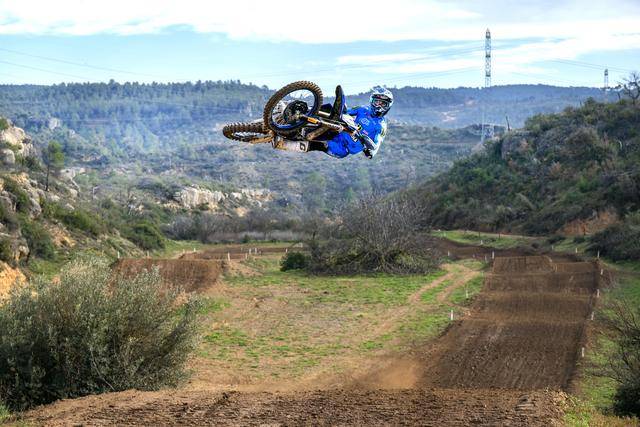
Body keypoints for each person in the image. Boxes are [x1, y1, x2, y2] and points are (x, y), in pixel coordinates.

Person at [273, 86, 393, 159]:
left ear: (388, 106)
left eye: (382, 103)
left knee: (319, 145)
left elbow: (375, 146)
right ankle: (302, 111)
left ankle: (284, 143)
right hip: (340, 130)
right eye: (376, 102)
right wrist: (343, 110)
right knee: (330, 109)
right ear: (372, 101)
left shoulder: (380, 126)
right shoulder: (363, 109)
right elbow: (347, 113)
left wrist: (369, 148)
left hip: (344, 147)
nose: (378, 105)